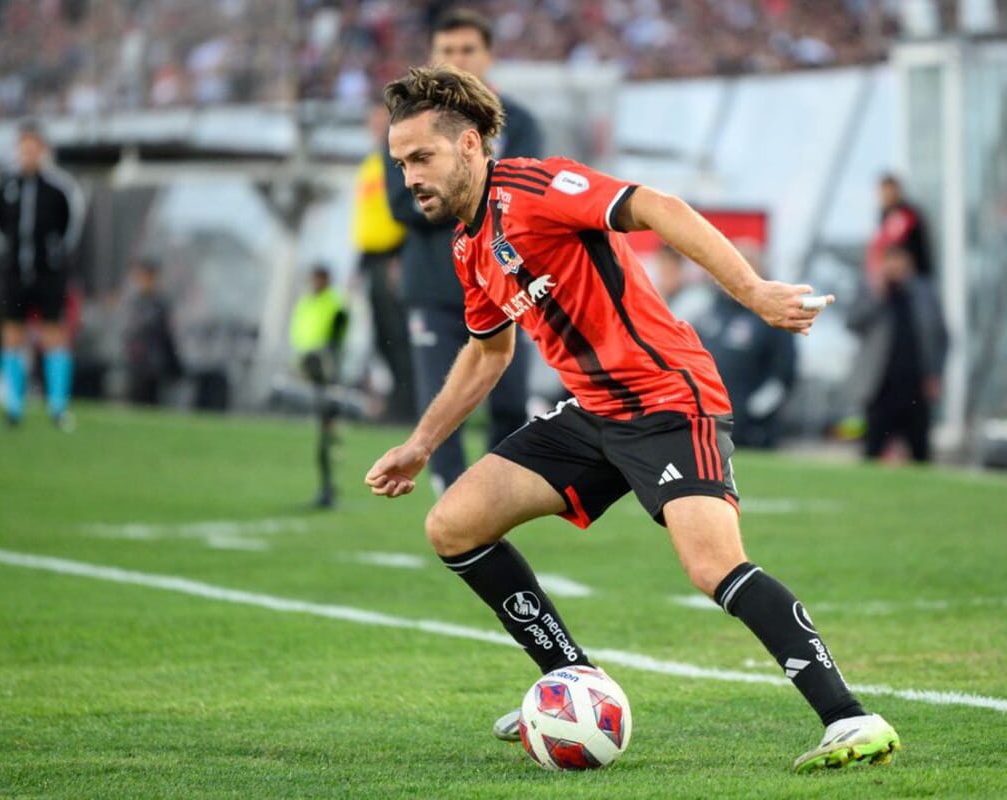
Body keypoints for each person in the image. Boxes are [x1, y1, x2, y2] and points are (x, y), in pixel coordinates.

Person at [365, 65, 899, 773]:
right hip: (593, 412)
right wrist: (421, 444)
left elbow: (658, 205)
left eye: (421, 157)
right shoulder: (469, 246)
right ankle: (574, 683)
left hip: (668, 397)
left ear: (468, 145)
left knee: (712, 564)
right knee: (454, 524)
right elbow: (488, 354)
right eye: (400, 163)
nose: (409, 176)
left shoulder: (533, 187)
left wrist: (754, 291)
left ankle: (852, 720)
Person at [384, 8, 542, 495]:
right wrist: (470, 199)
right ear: (432, 55)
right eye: (447, 50)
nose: (458, 59)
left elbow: (529, 197)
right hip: (433, 287)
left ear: (488, 55)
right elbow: (399, 202)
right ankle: (451, 498)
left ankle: (499, 496)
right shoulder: (406, 126)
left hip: (503, 283)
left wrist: (457, 198)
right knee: (441, 401)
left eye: (467, 49)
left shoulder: (521, 121)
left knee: (510, 401)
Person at [0, 119, 85, 428]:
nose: (28, 154)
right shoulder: (7, 184)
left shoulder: (59, 188)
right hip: (13, 273)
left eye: (34, 148)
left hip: (48, 276)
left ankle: (57, 407)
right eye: (24, 148)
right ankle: (14, 406)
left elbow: (71, 231)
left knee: (54, 335)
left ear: (43, 150)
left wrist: (54, 261)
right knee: (12, 336)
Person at [846, 246, 948, 463]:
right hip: (880, 385)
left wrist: (936, 374)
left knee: (920, 450)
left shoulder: (924, 293)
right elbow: (853, 323)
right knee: (872, 448)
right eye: (890, 260)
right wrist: (877, 295)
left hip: (915, 385)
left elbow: (942, 337)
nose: (895, 266)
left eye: (900, 260)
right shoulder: (872, 290)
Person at [694, 241, 796, 449]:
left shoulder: (772, 315)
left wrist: (752, 412)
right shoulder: (710, 309)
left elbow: (783, 374)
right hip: (707, 419)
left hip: (749, 428)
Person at [354, 102, 415, 422]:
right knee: (382, 335)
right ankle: (399, 398)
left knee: (398, 334)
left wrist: (401, 256)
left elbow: (405, 209)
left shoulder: (396, 161)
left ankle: (407, 404)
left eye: (381, 120)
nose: (375, 125)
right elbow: (369, 217)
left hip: (392, 257)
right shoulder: (371, 162)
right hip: (372, 257)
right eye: (373, 119)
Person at [290, 265, 349, 508]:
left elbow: (335, 341)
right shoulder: (306, 303)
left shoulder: (334, 305)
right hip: (307, 373)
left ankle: (328, 486)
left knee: (327, 431)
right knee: (319, 433)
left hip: (325, 377)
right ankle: (325, 486)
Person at [123, 257, 182, 406]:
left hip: (154, 364)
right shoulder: (135, 301)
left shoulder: (160, 303)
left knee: (151, 402)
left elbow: (166, 335)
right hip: (136, 363)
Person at [865, 174, 933, 282]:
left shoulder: (905, 215)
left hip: (913, 278)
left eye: (888, 192)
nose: (885, 197)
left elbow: (893, 248)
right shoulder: (886, 215)